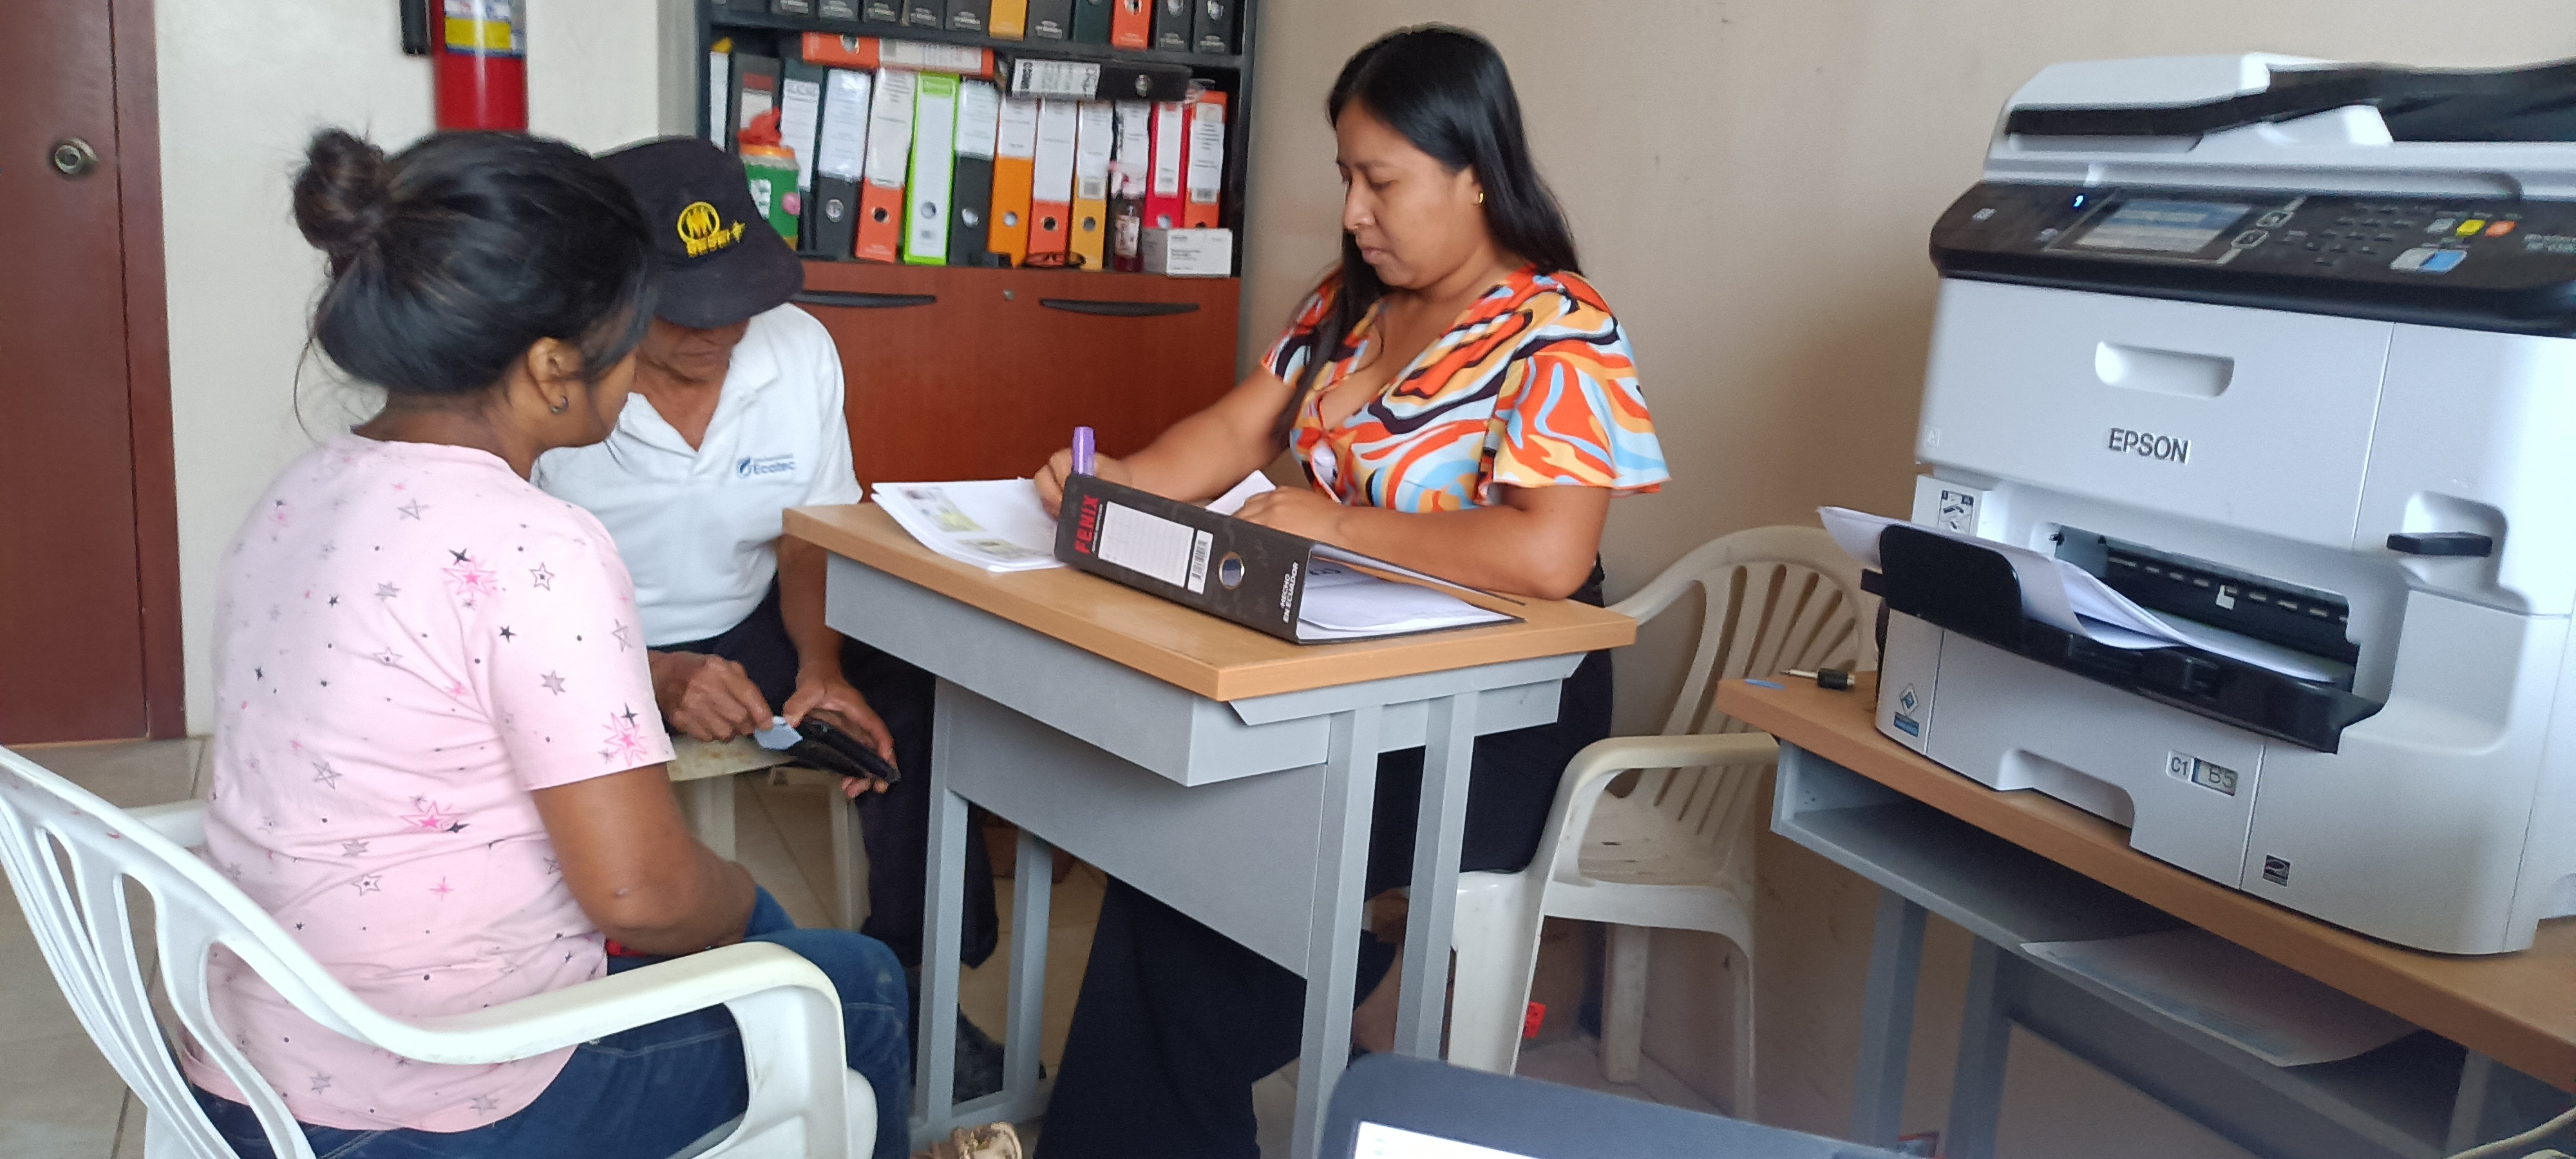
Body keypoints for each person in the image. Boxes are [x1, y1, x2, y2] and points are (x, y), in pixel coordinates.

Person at [181, 127, 911, 1159]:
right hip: (436, 1101)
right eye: (633, 329)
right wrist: (751, 906)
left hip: (252, 1069)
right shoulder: (537, 548)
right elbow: (641, 895)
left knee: (730, 965)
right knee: (852, 987)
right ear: (553, 368)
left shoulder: (299, 494)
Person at [1029, 26, 1668, 1157]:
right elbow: (1241, 428)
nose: (1355, 212)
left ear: (1475, 173)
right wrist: (1121, 483)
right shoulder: (1351, 300)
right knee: (1168, 871)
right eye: (1346, 179)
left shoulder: (1559, 328)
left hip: (1486, 717)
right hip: (1334, 674)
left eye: (1382, 182)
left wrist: (1332, 522)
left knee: (1218, 931)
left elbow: (1549, 557)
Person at [529, 138, 1006, 1093]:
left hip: (753, 618)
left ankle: (912, 982)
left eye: (737, 300)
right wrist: (650, 673)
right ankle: (603, 1002)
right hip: (579, 645)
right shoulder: (549, 374)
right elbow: (510, 601)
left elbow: (808, 540)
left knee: (915, 698)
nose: (718, 332)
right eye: (685, 311)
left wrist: (821, 668)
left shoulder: (799, 350)